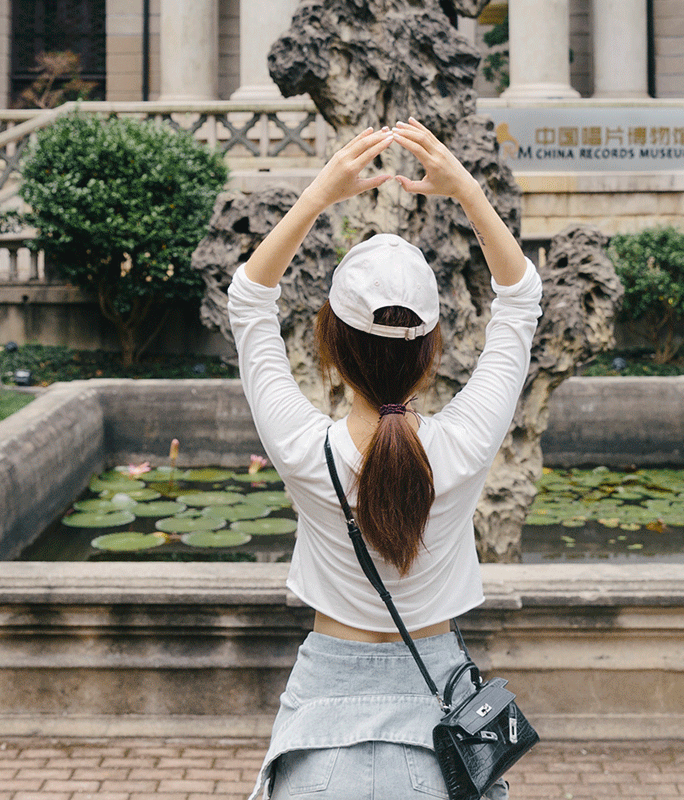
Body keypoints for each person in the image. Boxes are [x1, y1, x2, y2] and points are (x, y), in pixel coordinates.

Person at [228, 118, 543, 800]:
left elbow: (249, 302)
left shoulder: (303, 448)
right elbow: (521, 301)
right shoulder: (460, 446)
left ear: (330, 345)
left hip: (318, 732)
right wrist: (466, 191)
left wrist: (318, 195)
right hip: (442, 733)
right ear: (432, 352)